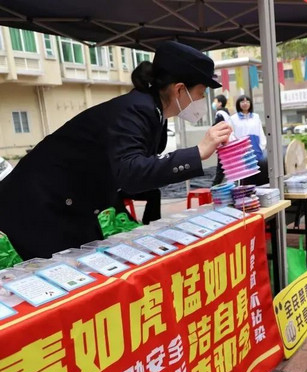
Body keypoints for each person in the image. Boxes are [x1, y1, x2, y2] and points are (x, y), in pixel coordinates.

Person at [0, 41, 232, 260]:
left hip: (74, 203)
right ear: (180, 90)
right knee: (71, 281)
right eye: (201, 93)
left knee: (91, 273)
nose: (202, 101)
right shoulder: (134, 110)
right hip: (39, 203)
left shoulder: (151, 111)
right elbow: (131, 172)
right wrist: (198, 152)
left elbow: (142, 167)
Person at [230, 95, 269, 186]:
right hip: (241, 150)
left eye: (247, 101)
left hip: (256, 148)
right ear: (238, 104)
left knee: (258, 172)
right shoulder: (233, 118)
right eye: (242, 102)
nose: (245, 103)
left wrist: (262, 146)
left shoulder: (255, 117)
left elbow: (260, 132)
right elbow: (232, 134)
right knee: (245, 175)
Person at [212, 94, 234, 186]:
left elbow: (218, 128)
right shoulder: (226, 113)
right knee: (227, 167)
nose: (214, 103)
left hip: (225, 143)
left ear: (220, 103)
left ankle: (214, 188)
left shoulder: (220, 114)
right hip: (229, 142)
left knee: (221, 168)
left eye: (215, 101)